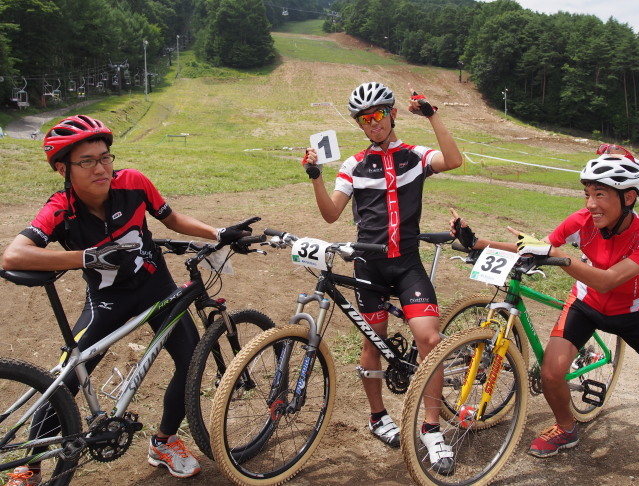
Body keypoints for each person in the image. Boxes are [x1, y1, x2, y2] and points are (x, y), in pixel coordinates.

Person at [449, 144, 639, 486]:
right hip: (584, 306)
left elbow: (610, 280)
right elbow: (537, 245)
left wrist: (565, 259)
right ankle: (566, 429)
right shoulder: (581, 221)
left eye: (600, 194)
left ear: (628, 197)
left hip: (633, 314)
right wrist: (478, 242)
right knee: (551, 374)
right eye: (586, 194)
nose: (590, 204)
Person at [1, 115, 253, 484]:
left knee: (189, 363)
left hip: (158, 290)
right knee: (68, 378)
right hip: (107, 301)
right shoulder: (60, 208)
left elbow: (173, 218)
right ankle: (32, 464)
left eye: (105, 157)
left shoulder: (133, 183)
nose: (101, 168)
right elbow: (13, 255)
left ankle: (164, 442)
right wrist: (86, 256)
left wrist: (218, 232)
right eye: (87, 161)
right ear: (62, 168)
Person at [302, 82, 462, 474]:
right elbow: (330, 215)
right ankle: (378, 418)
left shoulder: (415, 155)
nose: (372, 124)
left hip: (407, 264)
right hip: (368, 266)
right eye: (364, 119)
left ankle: (431, 428)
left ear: (392, 114)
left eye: (377, 115)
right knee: (372, 343)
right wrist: (315, 177)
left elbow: (454, 160)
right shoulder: (354, 164)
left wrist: (432, 114)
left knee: (431, 340)